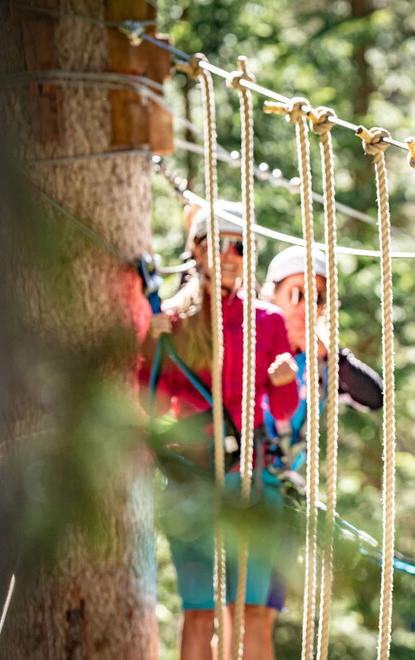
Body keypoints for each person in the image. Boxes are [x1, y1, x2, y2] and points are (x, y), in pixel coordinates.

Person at [141, 200, 300, 660]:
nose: (230, 254)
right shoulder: (172, 321)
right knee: (200, 611)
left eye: (241, 246)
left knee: (249, 611)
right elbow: (147, 400)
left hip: (250, 478)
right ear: (197, 247)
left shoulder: (266, 321)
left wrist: (285, 379)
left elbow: (284, 409)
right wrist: (148, 345)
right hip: (191, 479)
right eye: (220, 243)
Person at [256, 244, 384, 634]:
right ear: (271, 295)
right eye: (293, 293)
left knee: (263, 616)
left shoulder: (322, 367)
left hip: (283, 500)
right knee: (230, 613)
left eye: (315, 297)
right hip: (239, 486)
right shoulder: (253, 348)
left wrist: (334, 356)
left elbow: (374, 397)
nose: (303, 305)